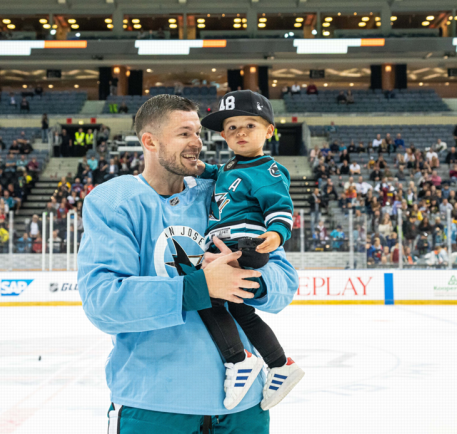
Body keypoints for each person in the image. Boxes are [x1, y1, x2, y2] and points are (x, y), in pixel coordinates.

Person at [78, 94, 298, 433]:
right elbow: (104, 301)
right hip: (153, 407)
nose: (197, 142)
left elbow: (283, 282)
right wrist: (202, 287)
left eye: (198, 132)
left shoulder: (225, 192)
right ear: (149, 141)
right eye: (184, 133)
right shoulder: (113, 201)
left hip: (245, 410)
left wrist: (242, 278)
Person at [198, 90, 304, 410]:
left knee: (204, 294)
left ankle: (239, 359)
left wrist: (277, 233)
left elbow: (280, 206)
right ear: (222, 135)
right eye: (232, 128)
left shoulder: (268, 170)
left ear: (269, 130)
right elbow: (215, 174)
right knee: (241, 310)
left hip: (246, 243)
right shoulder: (229, 168)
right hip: (230, 243)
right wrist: (193, 165)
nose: (240, 132)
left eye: (250, 125)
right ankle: (280, 364)